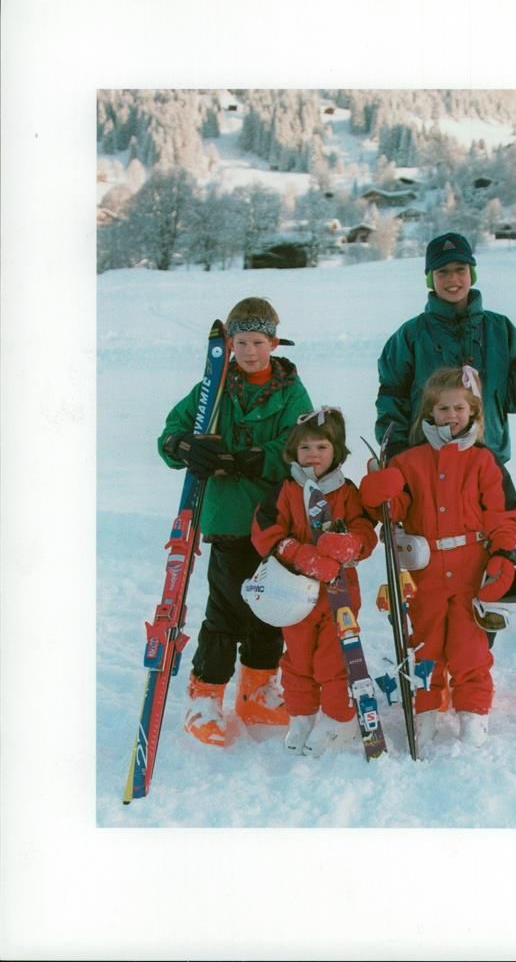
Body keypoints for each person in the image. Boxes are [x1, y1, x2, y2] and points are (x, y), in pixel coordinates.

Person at [158, 297, 313, 745]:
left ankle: (258, 690)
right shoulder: (214, 387)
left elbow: (300, 442)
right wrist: (185, 446)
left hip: (274, 519)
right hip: (226, 516)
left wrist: (255, 457)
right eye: (241, 342)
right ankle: (205, 696)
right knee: (226, 609)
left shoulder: (290, 391)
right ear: (229, 344)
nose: (249, 352)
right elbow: (171, 431)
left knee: (270, 607)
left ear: (274, 342)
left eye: (258, 342)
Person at [360, 365, 516, 751]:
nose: (451, 416)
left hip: (472, 570)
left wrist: (502, 553)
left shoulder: (484, 461)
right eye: (443, 409)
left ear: (473, 414)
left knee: (471, 647)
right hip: (424, 572)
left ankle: (473, 714)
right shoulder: (409, 461)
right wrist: (379, 488)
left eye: (459, 408)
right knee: (424, 644)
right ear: (429, 413)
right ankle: (425, 711)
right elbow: (393, 510)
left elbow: (503, 513)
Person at [375, 231, 516, 462]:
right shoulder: (410, 336)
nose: (452, 279)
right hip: (426, 464)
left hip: (488, 461)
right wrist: (396, 447)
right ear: (430, 279)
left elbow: (515, 398)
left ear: (471, 274)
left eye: (460, 270)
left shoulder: (499, 329)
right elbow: (391, 399)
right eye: (442, 272)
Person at [251, 407, 378, 757]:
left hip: (339, 594)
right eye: (305, 448)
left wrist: (352, 542)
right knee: (298, 660)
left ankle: (341, 721)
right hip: (294, 595)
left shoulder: (347, 491)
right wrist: (298, 553)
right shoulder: (285, 489)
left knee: (333, 660)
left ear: (335, 451)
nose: (313, 455)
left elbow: (366, 529)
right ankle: (302, 716)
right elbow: (264, 530)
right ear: (294, 452)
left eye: (321, 447)